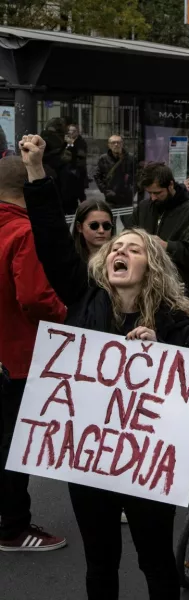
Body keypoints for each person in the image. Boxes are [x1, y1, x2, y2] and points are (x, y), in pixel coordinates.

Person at [20, 133, 189, 597]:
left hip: (146, 468)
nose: (120, 251)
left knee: (155, 559)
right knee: (100, 562)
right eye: (116, 248)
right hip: (89, 464)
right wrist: (37, 172)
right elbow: (50, 244)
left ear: (153, 265)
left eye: (133, 249)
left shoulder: (175, 321)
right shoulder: (84, 298)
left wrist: (163, 350)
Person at [0, 154, 68, 553]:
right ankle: (13, 528)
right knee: (13, 444)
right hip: (19, 356)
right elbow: (36, 297)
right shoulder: (24, 231)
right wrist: (67, 313)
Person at [133, 163, 189, 298]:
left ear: (171, 185)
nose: (153, 198)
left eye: (157, 193)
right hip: (145, 284)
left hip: (176, 287)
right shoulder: (143, 208)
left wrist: (166, 246)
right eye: (149, 193)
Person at [94, 135, 135, 208]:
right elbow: (97, 176)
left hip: (127, 198)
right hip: (111, 199)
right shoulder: (103, 158)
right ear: (109, 145)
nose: (116, 144)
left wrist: (133, 190)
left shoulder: (131, 158)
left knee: (129, 219)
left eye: (118, 142)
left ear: (122, 144)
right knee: (110, 219)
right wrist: (105, 191)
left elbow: (137, 175)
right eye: (113, 142)